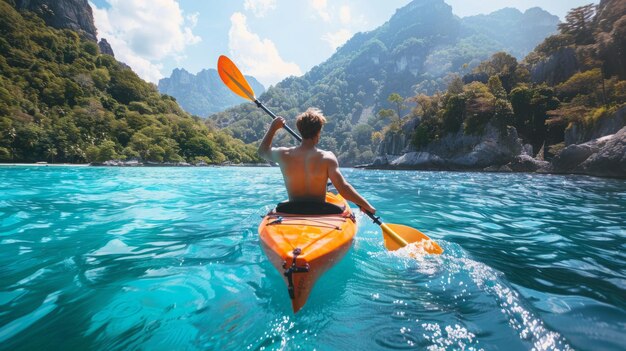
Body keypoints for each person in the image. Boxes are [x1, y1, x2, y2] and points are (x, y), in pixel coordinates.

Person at [258, 107, 376, 215]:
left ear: (300, 129)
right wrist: (367, 205)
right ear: (319, 131)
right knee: (343, 209)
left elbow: (262, 151)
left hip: (291, 208)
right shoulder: (327, 157)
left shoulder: (284, 154)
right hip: (321, 209)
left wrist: (273, 128)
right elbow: (343, 189)